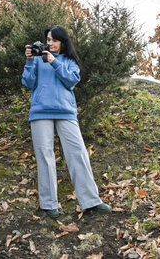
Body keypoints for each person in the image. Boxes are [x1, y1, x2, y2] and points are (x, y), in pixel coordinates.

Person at [22, 25, 111, 218]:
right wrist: (29, 62)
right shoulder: (37, 60)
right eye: (48, 40)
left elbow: (71, 80)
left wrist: (54, 62)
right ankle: (48, 205)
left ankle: (91, 202)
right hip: (40, 112)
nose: (50, 43)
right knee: (45, 157)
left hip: (66, 113)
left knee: (78, 154)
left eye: (54, 40)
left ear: (63, 42)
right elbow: (28, 83)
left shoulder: (70, 61)